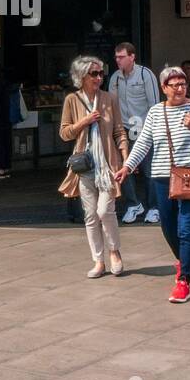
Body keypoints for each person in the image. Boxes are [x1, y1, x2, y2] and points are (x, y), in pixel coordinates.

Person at [114, 66, 190, 303]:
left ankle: (184, 280)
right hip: (161, 177)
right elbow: (143, 143)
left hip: (189, 176)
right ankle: (182, 259)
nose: (181, 88)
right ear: (164, 88)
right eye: (175, 85)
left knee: (185, 228)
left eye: (183, 84)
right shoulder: (155, 113)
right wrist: (127, 167)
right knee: (168, 228)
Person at [59, 55, 129, 279]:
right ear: (82, 77)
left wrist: (126, 160)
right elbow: (64, 133)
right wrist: (84, 121)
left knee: (104, 211)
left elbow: (119, 131)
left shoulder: (109, 98)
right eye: (94, 74)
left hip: (108, 165)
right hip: (84, 166)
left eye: (101, 73)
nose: (99, 78)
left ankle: (114, 252)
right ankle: (98, 261)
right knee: (90, 215)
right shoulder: (72, 100)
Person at [109, 42, 160, 225]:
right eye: (116, 57)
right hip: (124, 128)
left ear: (132, 57)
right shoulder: (115, 78)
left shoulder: (145, 74)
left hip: (144, 128)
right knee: (124, 168)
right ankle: (133, 204)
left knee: (148, 170)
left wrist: (153, 130)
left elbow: (154, 104)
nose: (118, 60)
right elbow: (111, 106)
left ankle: (154, 207)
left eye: (121, 57)